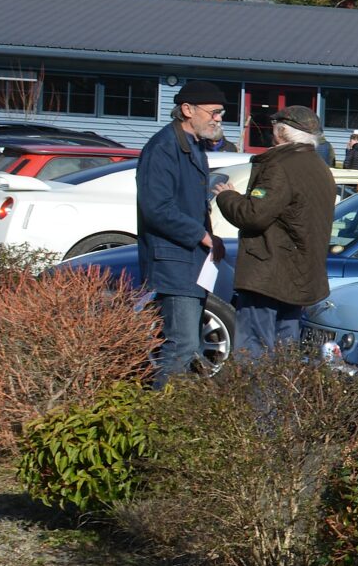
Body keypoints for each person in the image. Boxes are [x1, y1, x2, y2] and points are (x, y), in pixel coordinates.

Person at [213, 105, 334, 355]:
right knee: (284, 350)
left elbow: (253, 215)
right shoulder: (320, 167)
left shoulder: (281, 166)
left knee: (254, 349)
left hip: (269, 273)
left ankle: (257, 396)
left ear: (280, 132)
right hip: (298, 273)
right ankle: (279, 395)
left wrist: (227, 197)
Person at [136, 81, 230, 382]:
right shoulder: (163, 147)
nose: (217, 118)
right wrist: (202, 236)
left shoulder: (193, 146)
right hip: (173, 261)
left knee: (189, 348)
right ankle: (158, 418)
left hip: (192, 262)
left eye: (221, 113)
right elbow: (156, 208)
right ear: (187, 110)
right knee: (182, 345)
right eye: (213, 112)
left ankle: (176, 414)